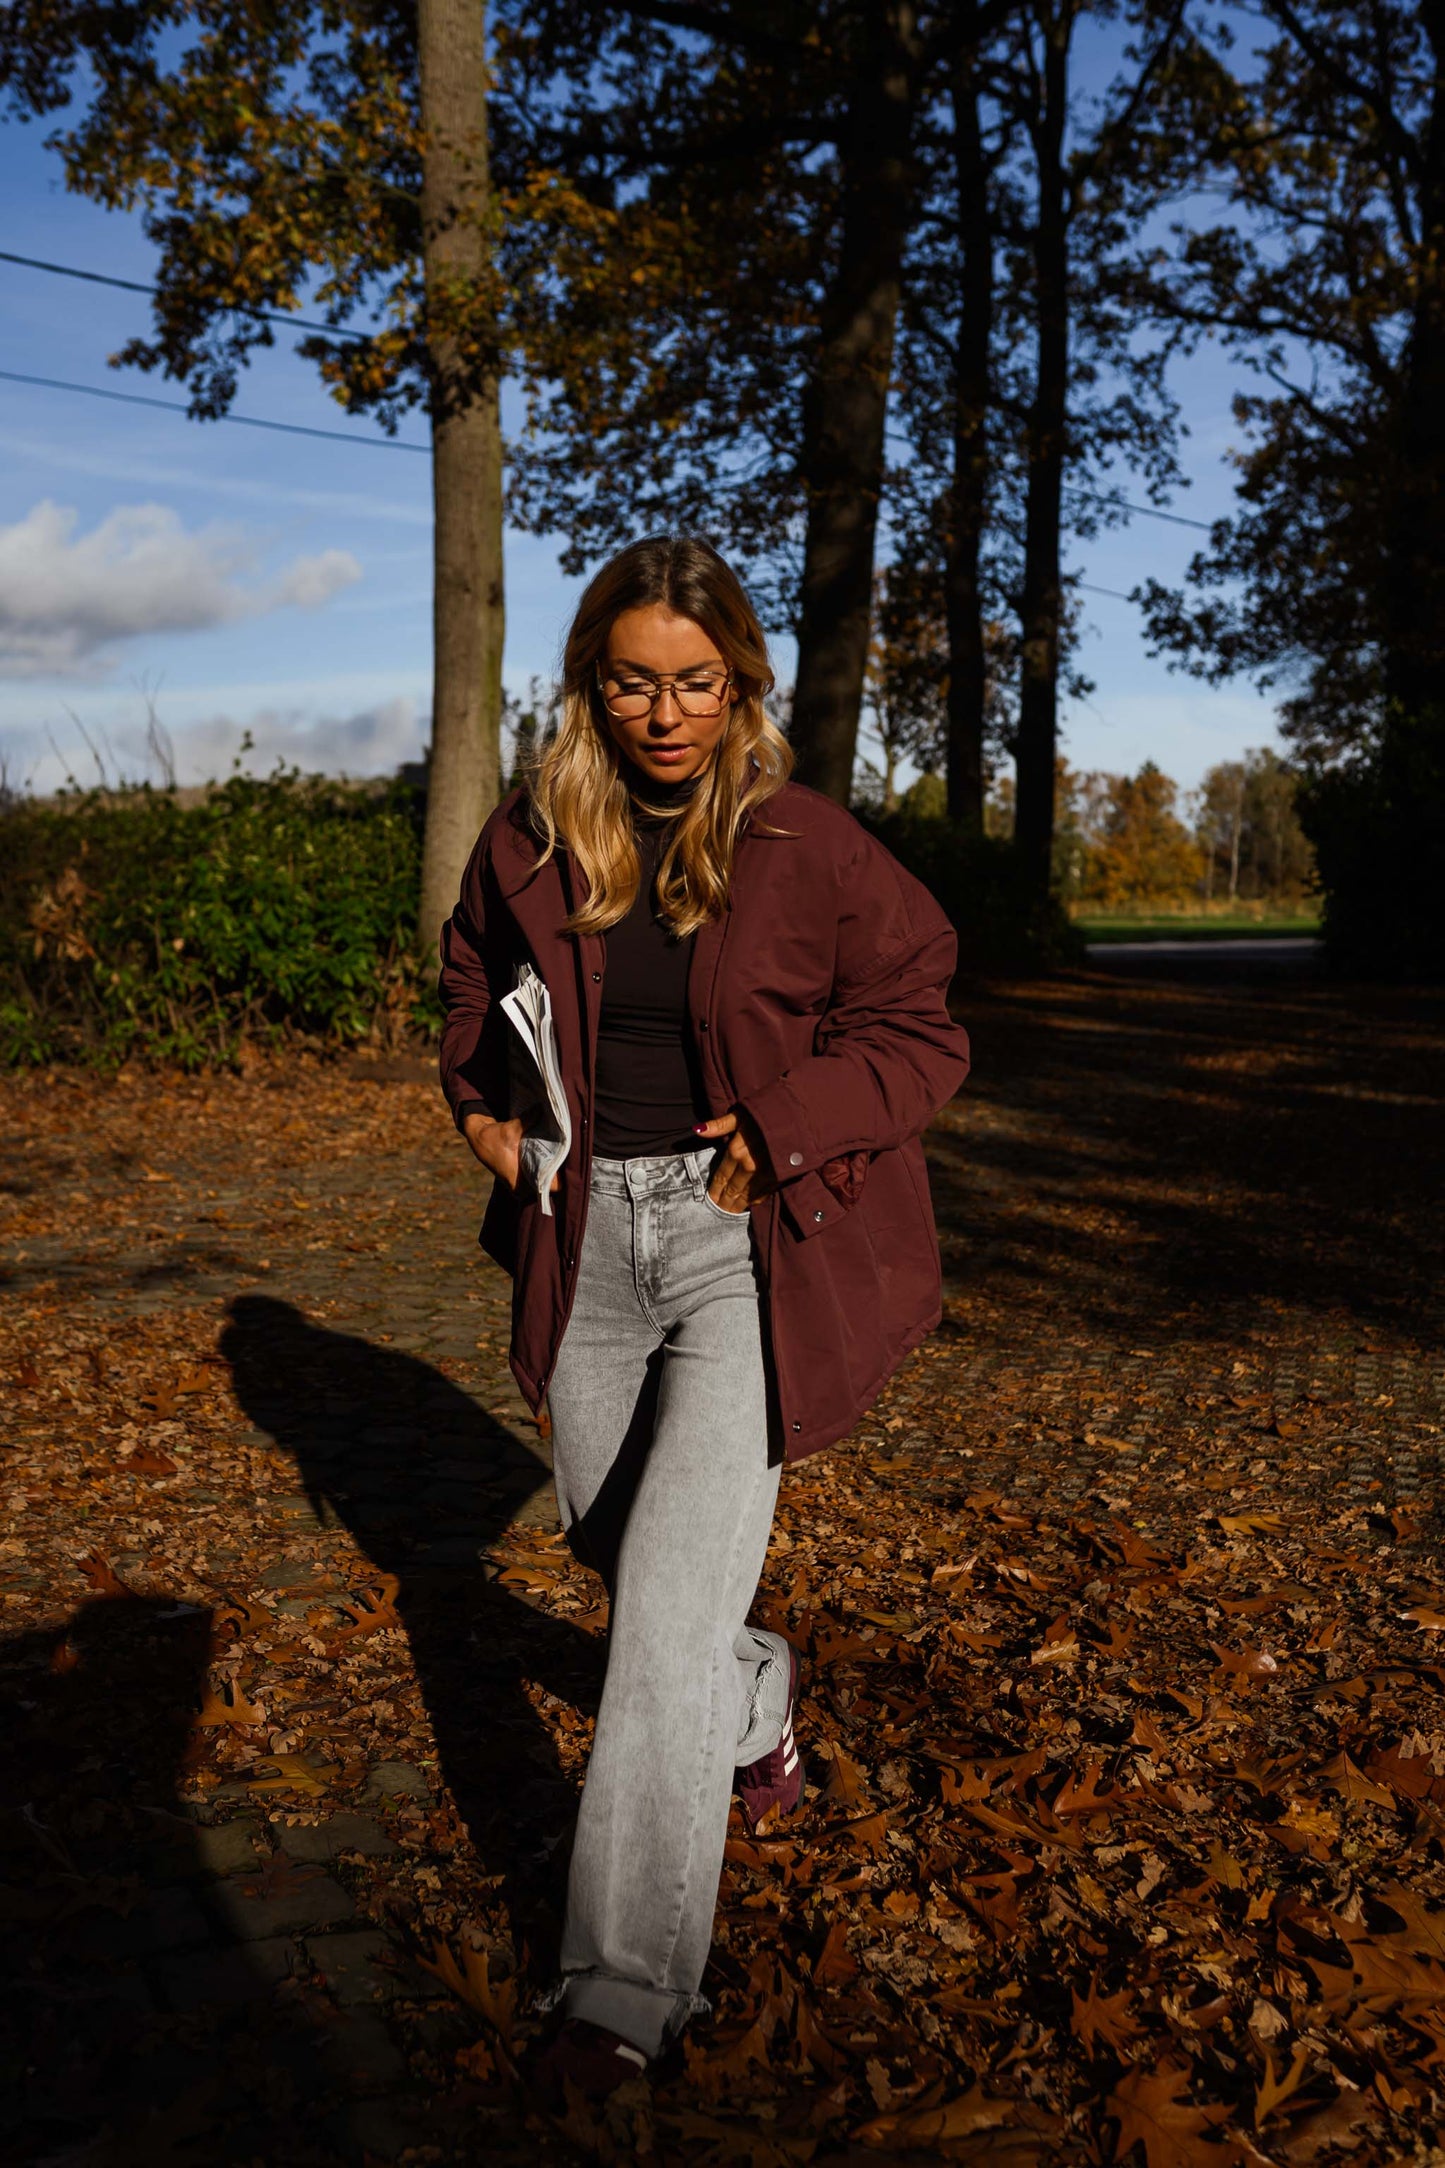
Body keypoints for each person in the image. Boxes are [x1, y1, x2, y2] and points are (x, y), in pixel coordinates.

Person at [437, 533, 970, 2103]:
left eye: (695, 682)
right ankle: (756, 1705)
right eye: (632, 682)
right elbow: (475, 991)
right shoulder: (533, 835)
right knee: (612, 1544)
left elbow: (920, 1020)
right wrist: (479, 1120)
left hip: (751, 1242)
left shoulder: (804, 842)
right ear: (589, 688)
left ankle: (620, 1988)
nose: (665, 713)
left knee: (660, 1618)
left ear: (740, 685)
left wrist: (786, 1125)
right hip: (584, 1233)